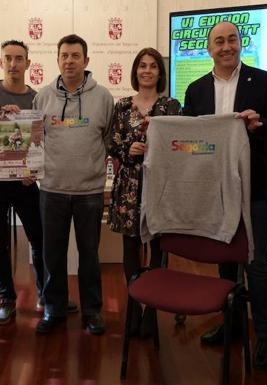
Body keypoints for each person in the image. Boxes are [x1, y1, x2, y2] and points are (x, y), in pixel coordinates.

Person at [183, 21, 267, 367]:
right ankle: (232, 325)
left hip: (253, 184)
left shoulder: (264, 80)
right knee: (225, 257)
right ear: (209, 49)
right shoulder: (195, 89)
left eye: (231, 40)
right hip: (215, 187)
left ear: (241, 44)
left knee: (256, 262)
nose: (226, 46)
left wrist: (259, 125)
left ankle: (266, 336)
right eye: (218, 42)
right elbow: (188, 140)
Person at [0, 40, 78, 325]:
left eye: (19, 58)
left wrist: (32, 168)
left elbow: (39, 141)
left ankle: (47, 295)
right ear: (0, 62)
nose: (13, 64)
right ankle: (7, 298)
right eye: (8, 58)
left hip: (24, 181)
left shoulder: (36, 98)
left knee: (39, 238)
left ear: (28, 64)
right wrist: (2, 122)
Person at [33, 34, 114, 335]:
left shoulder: (103, 97)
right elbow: (34, 142)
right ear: (57, 60)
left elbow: (107, 141)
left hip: (90, 192)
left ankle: (92, 311)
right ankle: (54, 309)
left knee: (90, 255)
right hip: (51, 189)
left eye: (75, 56)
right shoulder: (43, 97)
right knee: (52, 254)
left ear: (86, 61)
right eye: (64, 55)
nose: (69, 61)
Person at [107, 47, 181, 335]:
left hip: (160, 186)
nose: (147, 70)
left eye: (153, 66)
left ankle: (153, 308)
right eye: (142, 66)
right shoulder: (123, 106)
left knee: (158, 248)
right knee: (131, 246)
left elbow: (180, 146)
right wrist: (129, 148)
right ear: (135, 71)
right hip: (129, 185)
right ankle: (136, 303)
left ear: (160, 73)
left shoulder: (172, 106)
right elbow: (112, 143)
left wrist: (157, 148)